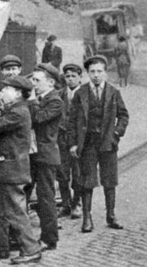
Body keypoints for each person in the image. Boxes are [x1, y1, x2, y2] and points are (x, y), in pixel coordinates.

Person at [0, 75, 42, 264]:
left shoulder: (19, 112)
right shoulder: (14, 109)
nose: (1, 92)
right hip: (5, 169)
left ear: (17, 93)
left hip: (11, 170)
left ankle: (31, 249)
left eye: (6, 89)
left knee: (15, 211)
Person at [68, 55, 130, 233]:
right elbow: (72, 121)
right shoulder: (80, 93)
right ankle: (87, 219)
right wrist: (72, 144)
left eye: (99, 71)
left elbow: (124, 115)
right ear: (87, 74)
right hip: (87, 144)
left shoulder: (113, 92)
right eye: (92, 72)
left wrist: (117, 132)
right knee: (87, 182)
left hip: (108, 144)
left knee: (109, 181)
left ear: (106, 73)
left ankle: (111, 216)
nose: (96, 75)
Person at [28, 64, 64, 250]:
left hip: (45, 156)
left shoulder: (55, 101)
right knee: (24, 194)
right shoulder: (38, 98)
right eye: (32, 80)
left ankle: (49, 239)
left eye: (37, 80)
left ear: (50, 82)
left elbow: (39, 118)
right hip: (31, 154)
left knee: (45, 198)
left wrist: (32, 101)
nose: (33, 84)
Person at [57, 63, 84, 219]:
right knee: (62, 174)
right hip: (61, 140)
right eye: (67, 76)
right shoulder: (60, 95)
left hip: (78, 141)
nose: (70, 79)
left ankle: (77, 203)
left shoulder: (85, 95)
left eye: (74, 76)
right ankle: (66, 204)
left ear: (80, 78)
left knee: (78, 174)